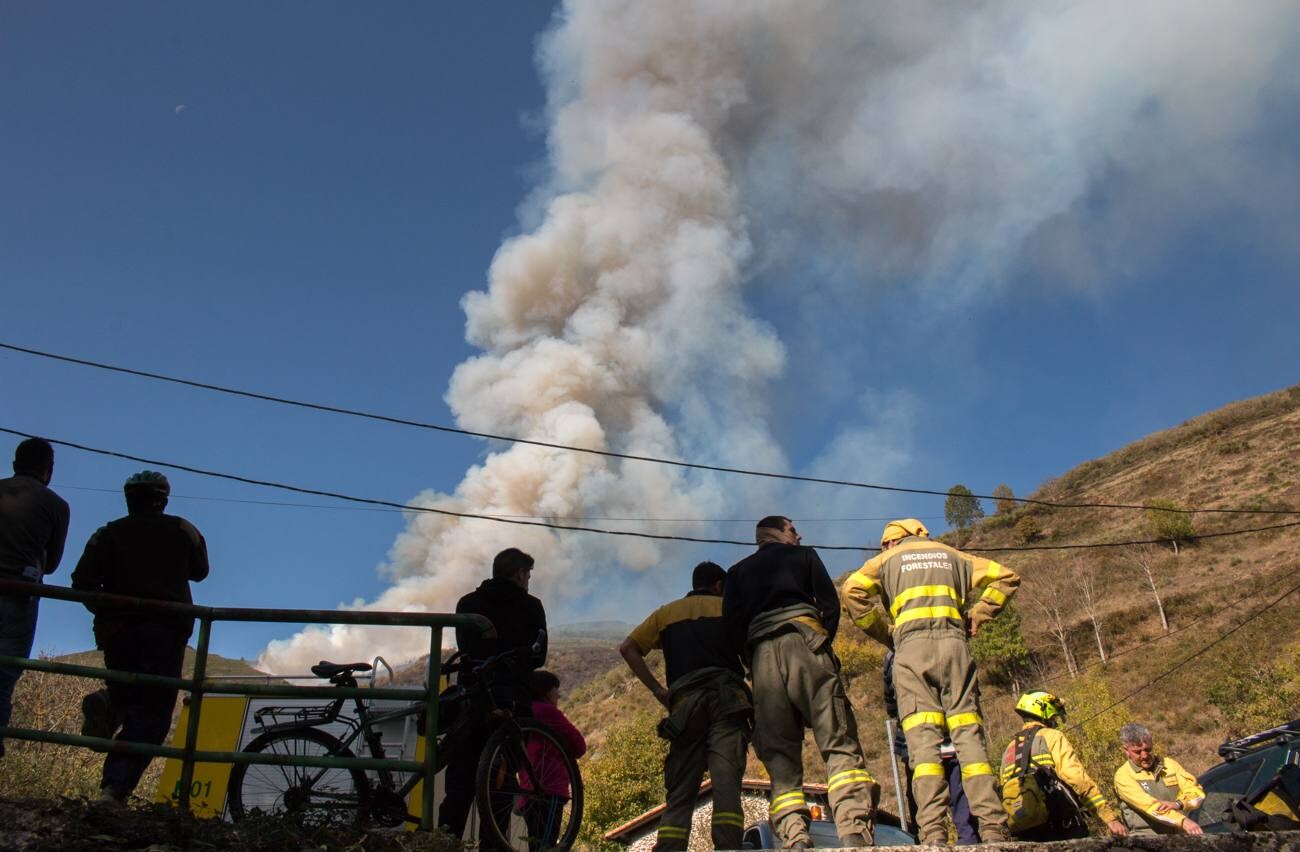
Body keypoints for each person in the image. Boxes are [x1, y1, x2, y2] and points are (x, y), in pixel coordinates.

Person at [842, 518, 1018, 845]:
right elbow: (1007, 577)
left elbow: (852, 591)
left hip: (911, 651)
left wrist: (885, 634)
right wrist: (979, 614)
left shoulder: (883, 561)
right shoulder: (954, 555)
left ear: (892, 542)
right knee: (968, 736)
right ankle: (993, 827)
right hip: (955, 646)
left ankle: (933, 833)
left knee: (922, 744)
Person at [724, 516, 878, 849]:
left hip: (761, 659)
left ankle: (794, 837)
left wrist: (751, 662)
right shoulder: (804, 555)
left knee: (780, 758)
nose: (799, 534)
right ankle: (853, 830)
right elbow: (830, 605)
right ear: (776, 533)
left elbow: (732, 627)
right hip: (807, 643)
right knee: (837, 739)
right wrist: (820, 643)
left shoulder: (735, 573)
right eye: (793, 529)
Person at [71, 470, 209, 803]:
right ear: (162, 499)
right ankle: (115, 789)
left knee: (128, 690)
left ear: (129, 500)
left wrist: (104, 612)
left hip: (117, 633)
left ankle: (110, 700)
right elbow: (201, 571)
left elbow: (81, 580)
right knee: (153, 714)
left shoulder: (106, 534)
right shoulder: (182, 529)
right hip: (165, 633)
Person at [620, 561, 751, 851]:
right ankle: (728, 847)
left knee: (681, 790)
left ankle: (669, 847)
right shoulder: (729, 609)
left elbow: (627, 648)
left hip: (684, 709)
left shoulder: (667, 613)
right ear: (719, 586)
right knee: (726, 782)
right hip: (727, 702)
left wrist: (658, 691)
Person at [439, 547, 547, 843]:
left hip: (470, 703)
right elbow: (539, 657)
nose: (528, 581)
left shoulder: (467, 603)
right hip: (510, 706)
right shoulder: (531, 606)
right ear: (520, 573)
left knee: (459, 787)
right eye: (528, 575)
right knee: (499, 789)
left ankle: (442, 845)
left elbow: (466, 649)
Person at [0, 438, 70, 758]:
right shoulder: (55, 505)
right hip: (20, 594)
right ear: (48, 469)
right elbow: (53, 564)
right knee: (4, 672)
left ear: (15, 463)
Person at [999, 691, 1126, 840]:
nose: (1055, 720)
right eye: (1054, 716)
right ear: (1044, 710)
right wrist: (1108, 817)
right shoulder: (1052, 736)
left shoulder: (1009, 749)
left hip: (1024, 831)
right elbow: (1076, 778)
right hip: (1061, 823)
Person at [883, 649, 979, 844]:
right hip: (953, 737)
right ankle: (969, 840)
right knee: (961, 794)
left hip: (915, 741)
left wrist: (901, 714)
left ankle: (930, 837)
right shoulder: (950, 643)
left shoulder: (894, 654)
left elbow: (891, 698)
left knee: (921, 794)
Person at [519, 670, 586, 850]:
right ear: (547, 692)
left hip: (527, 791)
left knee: (535, 841)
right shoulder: (547, 711)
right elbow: (579, 746)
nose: (558, 696)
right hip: (549, 788)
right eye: (556, 691)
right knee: (546, 844)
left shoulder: (524, 710)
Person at [1113, 722, 1205, 836]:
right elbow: (1151, 807)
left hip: (1180, 837)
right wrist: (1183, 821)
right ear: (1126, 751)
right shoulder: (1123, 776)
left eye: (1148, 749)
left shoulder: (1170, 765)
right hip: (1146, 841)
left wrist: (1179, 804)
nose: (1144, 755)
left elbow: (1197, 792)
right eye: (1138, 752)